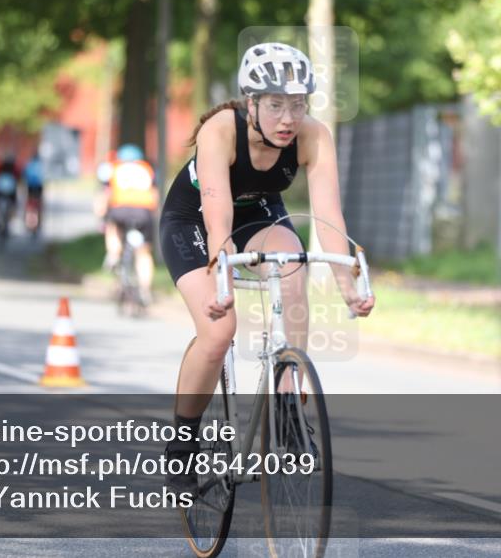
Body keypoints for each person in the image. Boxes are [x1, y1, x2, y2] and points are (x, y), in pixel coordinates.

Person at [159, 42, 376, 493]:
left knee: (293, 267)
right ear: (251, 102)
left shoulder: (313, 136)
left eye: (298, 105)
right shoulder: (220, 130)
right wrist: (222, 281)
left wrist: (346, 285)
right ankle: (182, 442)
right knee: (219, 332)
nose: (288, 119)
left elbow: (329, 217)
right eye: (276, 105)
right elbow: (217, 213)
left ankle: (288, 409)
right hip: (194, 219)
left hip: (258, 213)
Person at [98, 143, 158, 306]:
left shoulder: (114, 168)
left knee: (112, 227)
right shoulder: (147, 169)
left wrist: (101, 214)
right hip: (143, 211)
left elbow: (106, 194)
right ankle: (145, 290)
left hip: (121, 209)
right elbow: (155, 194)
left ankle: (113, 254)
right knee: (144, 253)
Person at [23, 152, 45, 233]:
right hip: (39, 188)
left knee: (29, 203)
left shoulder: (30, 165)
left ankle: (26, 219)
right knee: (39, 204)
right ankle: (39, 220)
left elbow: (25, 175)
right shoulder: (40, 165)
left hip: (30, 188)